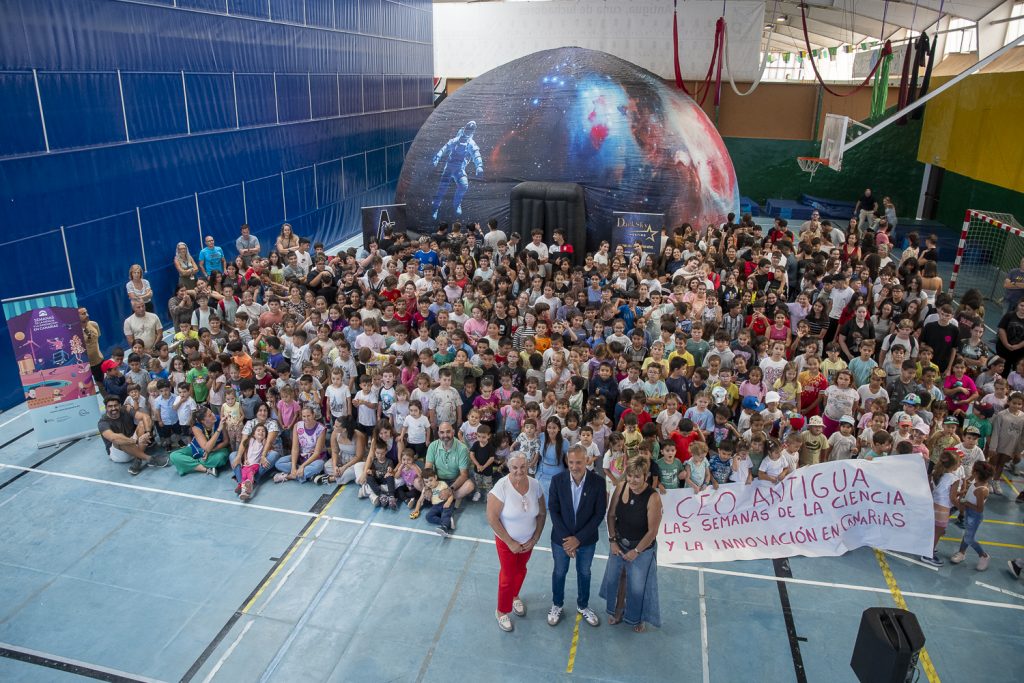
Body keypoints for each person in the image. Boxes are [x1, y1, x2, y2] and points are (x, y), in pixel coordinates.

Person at [546, 445, 608, 628]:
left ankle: (583, 605)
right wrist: (568, 540)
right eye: (571, 462)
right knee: (559, 572)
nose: (574, 466)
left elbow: (599, 514)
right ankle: (557, 604)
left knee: (585, 572)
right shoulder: (557, 480)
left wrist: (578, 539)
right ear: (567, 460)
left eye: (579, 462)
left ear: (587, 461)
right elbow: (554, 511)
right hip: (561, 539)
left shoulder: (598, 482)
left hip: (586, 540)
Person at [599, 457, 662, 632]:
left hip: (642, 548)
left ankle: (637, 618)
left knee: (637, 586)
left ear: (646, 476)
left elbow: (652, 532)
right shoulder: (621, 487)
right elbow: (611, 515)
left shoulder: (653, 498)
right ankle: (618, 610)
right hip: (619, 543)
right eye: (630, 476)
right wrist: (612, 541)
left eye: (637, 477)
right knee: (618, 579)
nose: (632, 480)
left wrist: (636, 551)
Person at [486, 452, 546, 633]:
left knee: (521, 570)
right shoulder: (501, 487)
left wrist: (535, 537)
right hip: (507, 542)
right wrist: (510, 542)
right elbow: (492, 518)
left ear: (527, 466)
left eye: (523, 467)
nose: (519, 471)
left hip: (528, 542)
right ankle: (502, 610)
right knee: (507, 575)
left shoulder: (535, 485)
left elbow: (542, 513)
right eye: (515, 468)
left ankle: (514, 596)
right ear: (508, 467)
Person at [97, 395, 167, 474]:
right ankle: (149, 459)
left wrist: (147, 433)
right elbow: (113, 438)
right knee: (119, 438)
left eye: (115, 405)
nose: (113, 408)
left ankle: (138, 459)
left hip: (134, 445)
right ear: (106, 408)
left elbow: (145, 416)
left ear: (120, 405)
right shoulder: (103, 422)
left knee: (142, 423)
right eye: (110, 406)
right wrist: (135, 441)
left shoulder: (126, 409)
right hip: (119, 453)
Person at [168, 406, 231, 476]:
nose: (213, 415)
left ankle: (191, 464)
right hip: (197, 449)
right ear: (202, 421)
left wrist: (212, 450)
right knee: (174, 456)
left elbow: (226, 441)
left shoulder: (219, 420)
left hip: (216, 449)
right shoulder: (196, 426)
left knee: (221, 457)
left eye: (212, 412)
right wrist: (219, 430)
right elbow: (206, 448)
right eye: (210, 415)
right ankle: (205, 469)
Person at [424, 421, 476, 506]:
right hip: (437, 480)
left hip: (455, 482)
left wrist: (449, 489)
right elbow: (428, 469)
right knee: (417, 482)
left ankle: (440, 498)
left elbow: (464, 475)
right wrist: (427, 488)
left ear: (453, 432)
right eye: (442, 432)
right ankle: (450, 499)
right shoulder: (433, 446)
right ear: (438, 433)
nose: (445, 435)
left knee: (470, 485)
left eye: (448, 431)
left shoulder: (462, 448)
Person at [79, 307, 104, 385]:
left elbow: (97, 339)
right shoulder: (74, 331)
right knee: (86, 386)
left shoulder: (94, 324)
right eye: (83, 314)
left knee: (102, 383)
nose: (87, 315)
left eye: (86, 312)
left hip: (98, 360)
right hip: (84, 365)